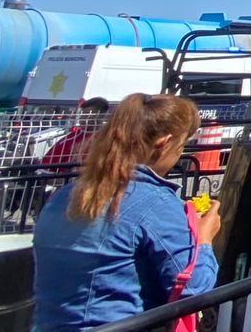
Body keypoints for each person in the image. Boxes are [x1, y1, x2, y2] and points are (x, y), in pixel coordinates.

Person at [33, 92, 220, 332]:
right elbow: (195, 289)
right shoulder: (156, 203)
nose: (180, 155)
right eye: (182, 146)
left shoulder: (62, 197)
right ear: (163, 144)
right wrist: (204, 240)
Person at [43, 97, 109, 168]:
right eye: (82, 114)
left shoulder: (109, 139)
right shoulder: (71, 139)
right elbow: (47, 164)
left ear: (100, 116)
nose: (81, 118)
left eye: (87, 114)